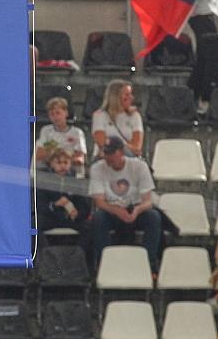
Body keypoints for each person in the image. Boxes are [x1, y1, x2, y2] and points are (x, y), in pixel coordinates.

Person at [88, 137, 163, 273]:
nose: (108, 157)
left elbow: (147, 201)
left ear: (121, 152)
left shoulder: (139, 166)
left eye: (111, 153)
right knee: (98, 218)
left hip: (135, 207)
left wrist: (137, 210)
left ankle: (149, 264)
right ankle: (104, 264)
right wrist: (116, 211)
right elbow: (99, 202)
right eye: (106, 153)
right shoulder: (97, 168)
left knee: (153, 217)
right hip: (111, 209)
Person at [35, 148, 91, 255]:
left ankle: (78, 256)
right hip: (51, 217)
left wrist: (77, 213)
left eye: (66, 162)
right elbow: (39, 205)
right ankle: (46, 255)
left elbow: (85, 206)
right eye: (59, 162)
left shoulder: (75, 182)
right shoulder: (43, 181)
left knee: (90, 226)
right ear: (51, 164)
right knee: (33, 224)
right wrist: (54, 205)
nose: (62, 166)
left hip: (69, 218)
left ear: (70, 164)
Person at [90, 80, 143, 159]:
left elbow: (137, 147)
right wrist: (126, 145)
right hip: (105, 158)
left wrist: (114, 144)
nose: (132, 97)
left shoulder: (135, 116)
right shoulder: (99, 115)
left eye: (131, 94)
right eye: (127, 95)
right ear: (115, 97)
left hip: (129, 158)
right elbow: (102, 143)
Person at [36, 97, 87, 174]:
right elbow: (40, 155)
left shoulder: (77, 132)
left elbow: (80, 157)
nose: (55, 117)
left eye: (58, 113)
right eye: (52, 114)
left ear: (66, 112)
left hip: (71, 169)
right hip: (50, 168)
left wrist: (65, 159)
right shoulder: (46, 131)